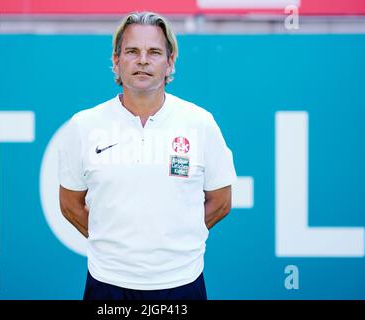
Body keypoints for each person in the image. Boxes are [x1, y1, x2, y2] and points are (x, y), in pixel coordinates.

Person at [58, 11, 237, 300]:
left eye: (154, 52)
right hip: (108, 283)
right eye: (132, 51)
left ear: (170, 63)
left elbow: (221, 201)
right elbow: (69, 204)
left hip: (182, 282)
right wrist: (117, 247)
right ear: (116, 62)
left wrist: (174, 242)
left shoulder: (200, 123)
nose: (143, 60)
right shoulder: (84, 125)